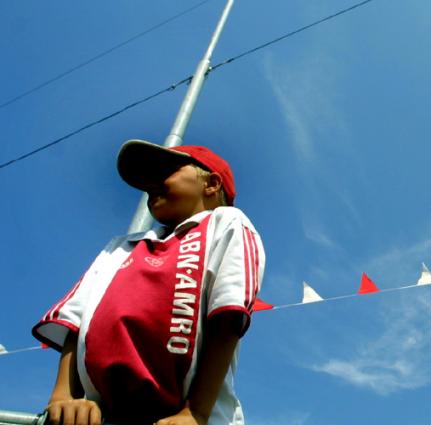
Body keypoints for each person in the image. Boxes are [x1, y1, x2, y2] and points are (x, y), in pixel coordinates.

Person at [32, 140, 266, 425]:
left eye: (164, 172)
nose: (150, 185)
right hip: (101, 414)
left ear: (211, 183)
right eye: (146, 181)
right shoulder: (121, 246)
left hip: (189, 414)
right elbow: (74, 322)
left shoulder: (227, 223)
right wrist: (63, 397)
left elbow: (228, 314)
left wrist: (195, 412)